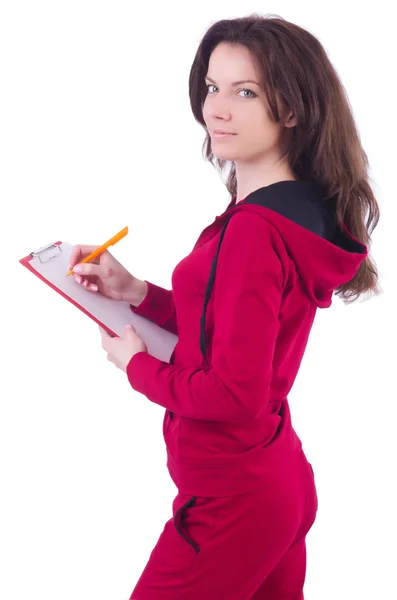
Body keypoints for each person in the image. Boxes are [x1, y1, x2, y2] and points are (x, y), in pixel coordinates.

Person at [69, 14, 380, 600]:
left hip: (232, 502)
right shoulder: (297, 215)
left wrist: (137, 366)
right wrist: (135, 292)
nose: (216, 110)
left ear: (291, 110)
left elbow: (232, 393)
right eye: (212, 88)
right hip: (275, 481)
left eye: (245, 92)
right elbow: (231, 332)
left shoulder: (253, 232)